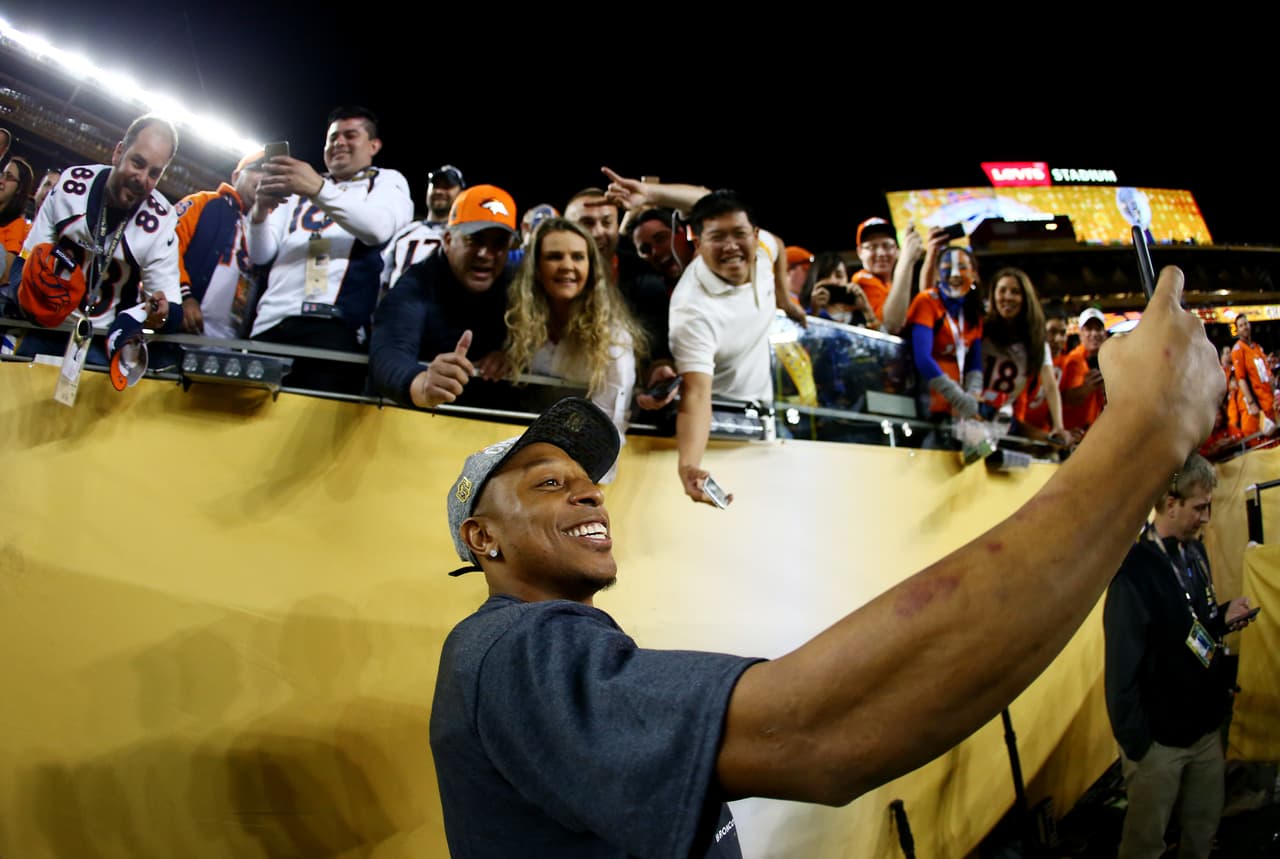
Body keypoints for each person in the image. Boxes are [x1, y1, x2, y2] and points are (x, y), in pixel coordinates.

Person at [430, 266, 1224, 857]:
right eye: (547, 483)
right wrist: (1146, 431)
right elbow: (821, 726)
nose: (588, 496)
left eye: (587, 482)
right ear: (483, 540)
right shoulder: (509, 651)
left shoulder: (546, 649)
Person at [1104, 453, 1257, 859]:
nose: (1207, 517)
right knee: (1144, 845)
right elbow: (1120, 677)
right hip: (1159, 745)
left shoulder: (1194, 552)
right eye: (1199, 507)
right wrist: (1140, 748)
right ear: (1171, 503)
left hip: (1205, 731)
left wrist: (1222, 617)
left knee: (1202, 831)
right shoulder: (1132, 574)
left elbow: (1194, 622)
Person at [247, 105, 413, 392]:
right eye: (333, 137)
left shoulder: (386, 181)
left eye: (351, 135)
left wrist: (317, 188)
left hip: (335, 327)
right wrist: (260, 212)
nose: (339, 143)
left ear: (374, 145)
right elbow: (261, 254)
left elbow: (379, 228)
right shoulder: (303, 183)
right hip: (271, 323)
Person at [15, 114, 178, 345]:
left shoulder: (162, 220)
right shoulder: (71, 186)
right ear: (119, 152)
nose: (142, 179)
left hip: (102, 341)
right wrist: (26, 296)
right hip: (47, 325)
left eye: (154, 173)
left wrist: (162, 313)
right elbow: (25, 261)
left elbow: (171, 307)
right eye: (138, 163)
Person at [502, 217, 648, 473]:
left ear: (591, 268)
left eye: (578, 257)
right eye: (555, 257)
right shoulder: (519, 321)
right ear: (536, 268)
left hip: (582, 469)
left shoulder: (613, 336)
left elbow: (609, 423)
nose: (567, 266)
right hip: (522, 456)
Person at [368, 183, 517, 408]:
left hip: (484, 420)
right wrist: (422, 383)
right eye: (474, 239)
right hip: (416, 416)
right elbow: (388, 351)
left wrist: (513, 354)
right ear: (447, 240)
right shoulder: (417, 282)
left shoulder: (514, 284)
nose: (485, 254)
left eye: (499, 244)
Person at [173, 150, 265, 338]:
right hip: (179, 333)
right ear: (236, 176)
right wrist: (183, 297)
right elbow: (164, 252)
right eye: (260, 169)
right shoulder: (202, 203)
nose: (265, 178)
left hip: (231, 346)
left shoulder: (270, 230)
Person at [979, 267, 1068, 443]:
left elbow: (1050, 385)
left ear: (1026, 298)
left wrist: (1059, 425)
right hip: (969, 411)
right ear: (993, 295)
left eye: (1015, 292)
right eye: (1002, 290)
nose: (1008, 297)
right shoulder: (981, 328)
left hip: (1001, 418)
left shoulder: (1036, 341)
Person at [905, 244, 984, 423]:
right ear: (937, 273)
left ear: (974, 274)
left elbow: (975, 364)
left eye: (962, 267)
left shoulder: (974, 311)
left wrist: (972, 397)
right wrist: (959, 399)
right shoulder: (927, 301)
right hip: (925, 407)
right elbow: (923, 359)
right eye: (948, 268)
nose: (955, 275)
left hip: (959, 411)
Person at [379, 164, 464, 296]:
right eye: (435, 186)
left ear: (461, 193)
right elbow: (382, 278)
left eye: (447, 187)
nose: (439, 191)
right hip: (397, 307)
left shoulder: (465, 235)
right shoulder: (405, 232)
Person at [1061, 307, 1109, 435]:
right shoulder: (1074, 360)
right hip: (1074, 433)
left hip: (1093, 431)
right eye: (1088, 329)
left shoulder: (1107, 359)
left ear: (1104, 333)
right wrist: (1088, 387)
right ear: (1080, 333)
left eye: (1098, 328)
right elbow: (1067, 398)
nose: (1094, 334)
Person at [799, 251, 877, 328]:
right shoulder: (804, 314)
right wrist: (814, 312)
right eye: (825, 275)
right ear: (814, 281)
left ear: (848, 279)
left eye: (839, 275)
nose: (833, 281)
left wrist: (867, 310)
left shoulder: (859, 313)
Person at [1230, 313, 1275, 438]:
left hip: (1269, 401)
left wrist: (1274, 393)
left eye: (1246, 324)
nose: (1244, 327)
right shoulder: (1238, 350)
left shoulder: (1257, 348)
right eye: (1241, 325)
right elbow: (1241, 379)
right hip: (1257, 405)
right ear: (1237, 330)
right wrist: (1251, 403)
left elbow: (1268, 374)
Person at [850, 217, 898, 321]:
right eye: (872, 247)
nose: (881, 253)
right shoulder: (862, 280)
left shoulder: (891, 284)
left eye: (887, 245)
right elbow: (889, 326)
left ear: (896, 249)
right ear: (859, 252)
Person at [0, 156, 34, 284]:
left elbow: (5, 275)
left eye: (8, 177)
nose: (1, 181)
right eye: (2, 174)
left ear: (19, 189)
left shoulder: (16, 225)